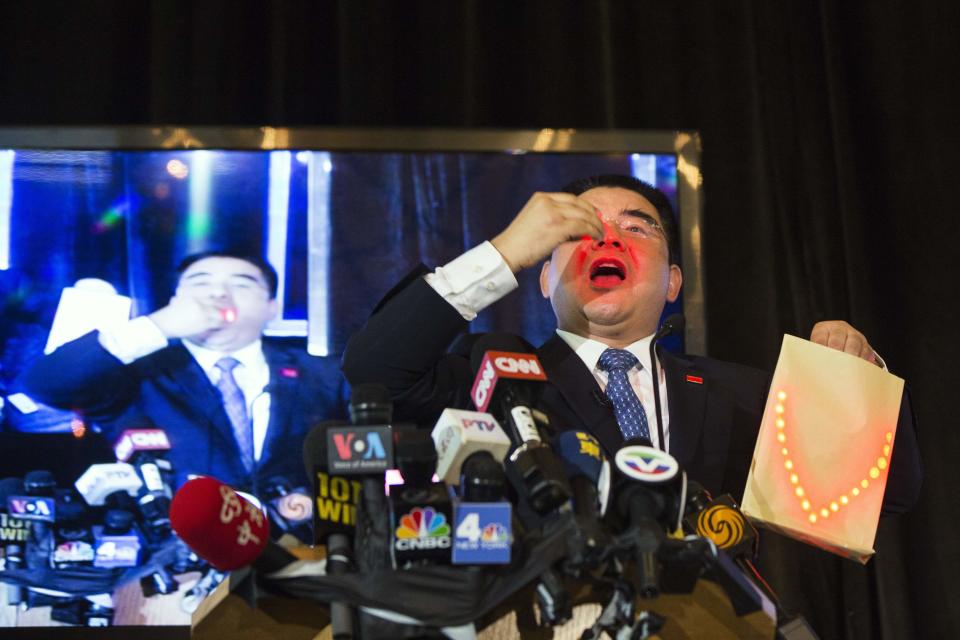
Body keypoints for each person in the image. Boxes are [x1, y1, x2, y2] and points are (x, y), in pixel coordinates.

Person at [342, 174, 921, 512]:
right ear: (543, 277)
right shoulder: (492, 375)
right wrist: (504, 250)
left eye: (637, 227)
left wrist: (852, 381)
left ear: (673, 281)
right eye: (580, 228)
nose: (607, 236)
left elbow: (889, 490)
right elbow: (375, 369)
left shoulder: (738, 393)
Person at [15, 250, 345, 493]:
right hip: (173, 562)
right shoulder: (140, 375)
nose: (218, 294)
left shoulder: (324, 376)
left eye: (241, 285)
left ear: (272, 307)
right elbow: (47, 384)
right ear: (177, 299)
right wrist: (158, 326)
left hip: (304, 557)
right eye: (200, 284)